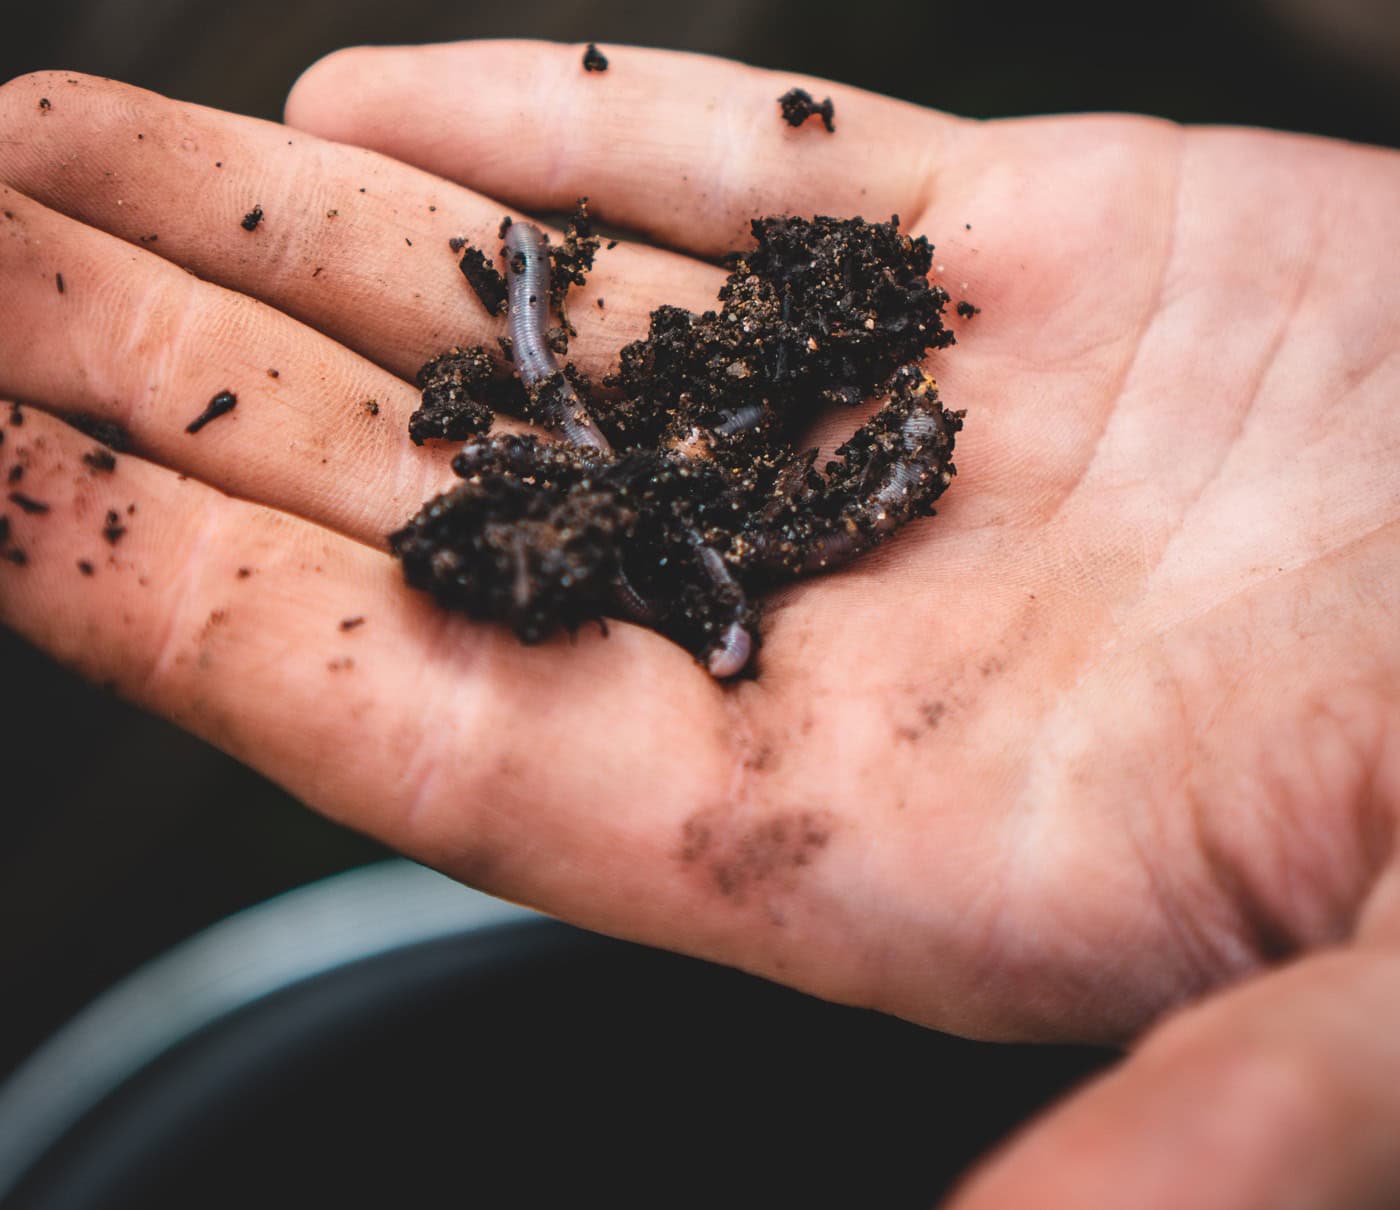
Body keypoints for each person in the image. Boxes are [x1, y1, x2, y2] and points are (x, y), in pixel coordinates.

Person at [0, 40, 1396, 1207]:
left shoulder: (705, 490)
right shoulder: (637, 476)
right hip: (667, 497)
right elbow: (588, 445)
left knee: (577, 422)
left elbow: (611, 458)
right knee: (571, 418)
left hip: (695, 504)